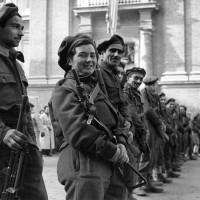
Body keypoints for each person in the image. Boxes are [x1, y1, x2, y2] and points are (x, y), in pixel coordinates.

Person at [49, 33, 130, 200]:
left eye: (93, 55)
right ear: (70, 61)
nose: (89, 60)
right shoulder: (65, 89)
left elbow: (115, 119)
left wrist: (121, 141)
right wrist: (113, 150)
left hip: (106, 161)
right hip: (84, 164)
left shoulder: (94, 87)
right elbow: (78, 132)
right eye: (83, 55)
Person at [0, 3, 48, 200]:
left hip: (24, 152)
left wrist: (35, 149)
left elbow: (25, 112)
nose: (20, 32)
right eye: (15, 26)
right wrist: (2, 132)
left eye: (22, 28)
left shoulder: (17, 65)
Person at [123, 67, 151, 197]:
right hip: (131, 131)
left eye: (141, 79)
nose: (139, 81)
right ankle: (131, 189)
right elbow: (133, 115)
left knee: (137, 158)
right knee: (132, 161)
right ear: (128, 78)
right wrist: (142, 131)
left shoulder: (135, 93)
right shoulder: (125, 93)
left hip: (138, 129)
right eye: (136, 78)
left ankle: (134, 187)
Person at [140, 76, 165, 193]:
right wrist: (159, 122)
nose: (157, 85)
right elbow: (147, 110)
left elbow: (159, 111)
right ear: (152, 84)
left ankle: (148, 181)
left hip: (155, 127)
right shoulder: (144, 92)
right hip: (148, 126)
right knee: (147, 156)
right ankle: (140, 184)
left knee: (154, 155)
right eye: (156, 83)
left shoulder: (154, 94)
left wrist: (161, 123)